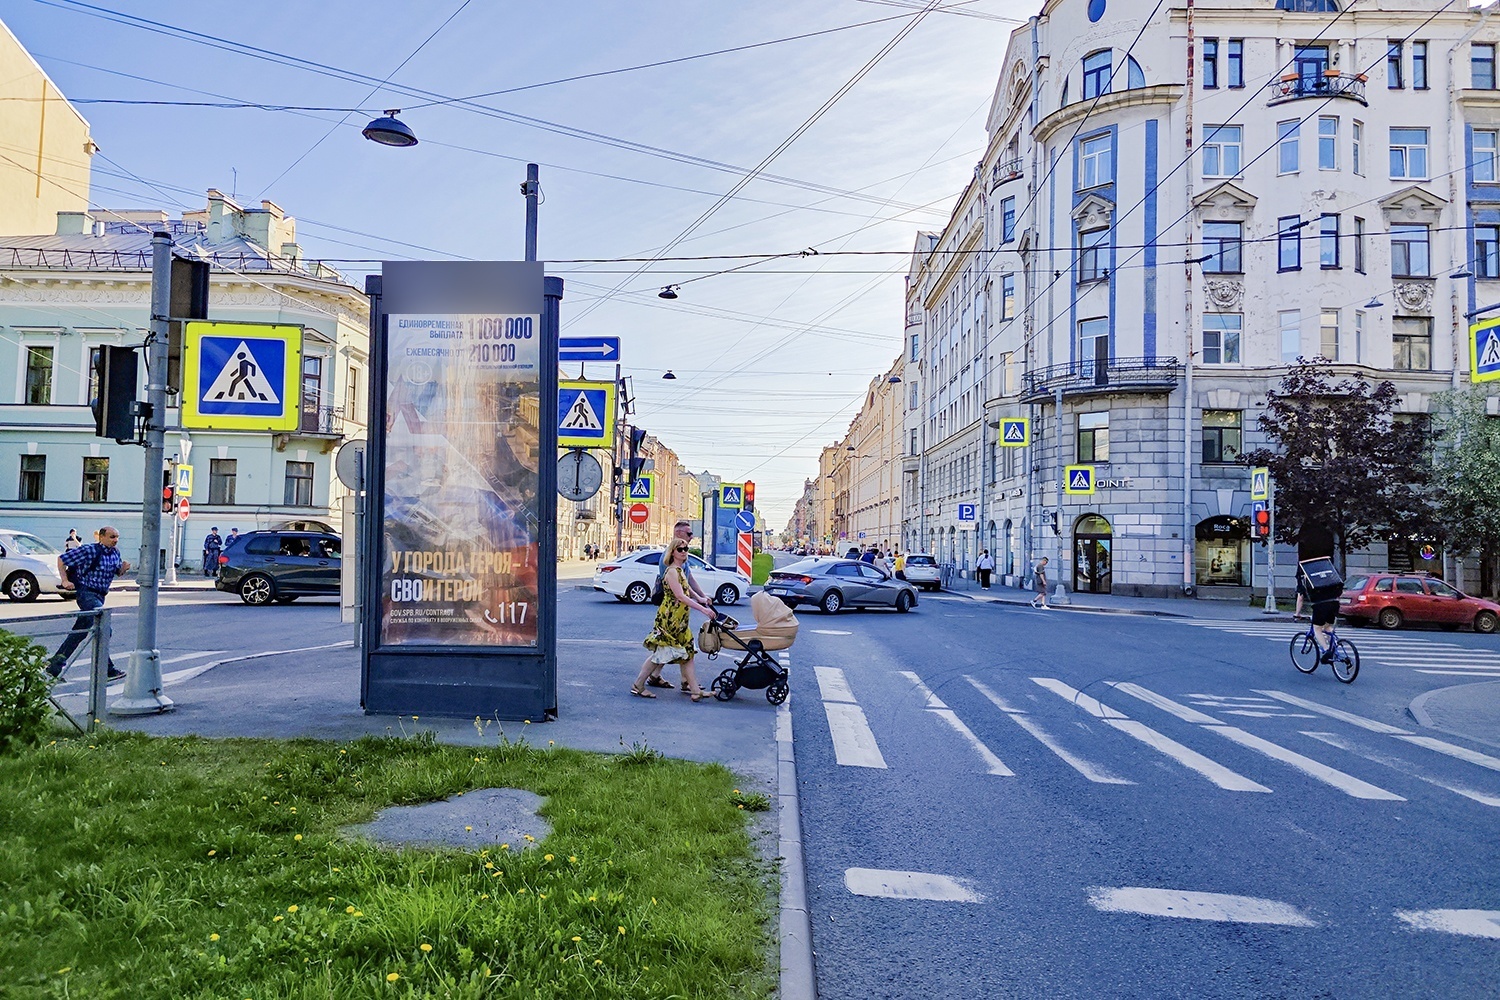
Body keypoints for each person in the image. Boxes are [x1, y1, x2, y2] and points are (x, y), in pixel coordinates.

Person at [632, 540, 714, 701]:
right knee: (660, 653)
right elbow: (680, 596)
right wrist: (703, 609)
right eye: (680, 549)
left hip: (680, 619)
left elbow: (686, 587)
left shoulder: (679, 569)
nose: (684, 551)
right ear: (672, 552)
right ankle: (638, 685)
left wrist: (701, 598)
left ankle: (695, 690)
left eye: (686, 549)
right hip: (670, 619)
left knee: (688, 652)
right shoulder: (671, 571)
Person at [47, 525, 130, 680]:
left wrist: (123, 569)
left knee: (80, 632)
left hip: (100, 595)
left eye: (117, 537)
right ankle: (107, 670)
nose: (116, 540)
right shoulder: (89, 550)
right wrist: (64, 580)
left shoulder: (115, 552)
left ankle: (54, 666)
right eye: (112, 537)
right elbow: (62, 559)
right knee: (104, 628)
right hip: (87, 593)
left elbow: (116, 571)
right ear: (102, 537)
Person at [651, 520, 710, 690]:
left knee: (676, 645)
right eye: (688, 533)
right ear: (678, 534)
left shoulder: (681, 554)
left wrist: (701, 596)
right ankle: (644, 681)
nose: (691, 537)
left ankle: (680, 680)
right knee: (671, 645)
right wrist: (700, 604)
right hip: (672, 611)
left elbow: (689, 580)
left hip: (680, 610)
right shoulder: (671, 559)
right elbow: (680, 589)